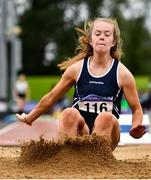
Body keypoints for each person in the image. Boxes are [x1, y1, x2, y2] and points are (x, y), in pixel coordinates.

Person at [16, 17, 146, 151]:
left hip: (108, 134)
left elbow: (136, 108)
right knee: (68, 113)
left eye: (107, 34)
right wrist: (29, 118)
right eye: (97, 33)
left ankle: (98, 158)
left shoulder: (123, 74)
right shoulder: (76, 69)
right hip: (81, 132)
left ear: (113, 42)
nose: (102, 37)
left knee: (105, 117)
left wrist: (136, 126)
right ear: (90, 40)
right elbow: (51, 97)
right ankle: (66, 157)